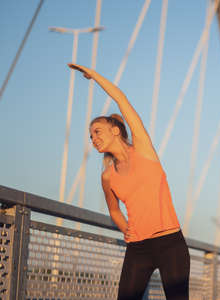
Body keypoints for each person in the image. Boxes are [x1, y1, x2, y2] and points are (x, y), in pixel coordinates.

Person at [68, 63, 190, 300]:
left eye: (97, 132)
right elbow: (114, 210)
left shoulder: (143, 149)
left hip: (170, 243)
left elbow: (121, 99)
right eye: (91, 136)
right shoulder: (107, 176)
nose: (93, 139)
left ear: (115, 130)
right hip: (138, 248)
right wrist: (126, 229)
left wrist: (94, 75)